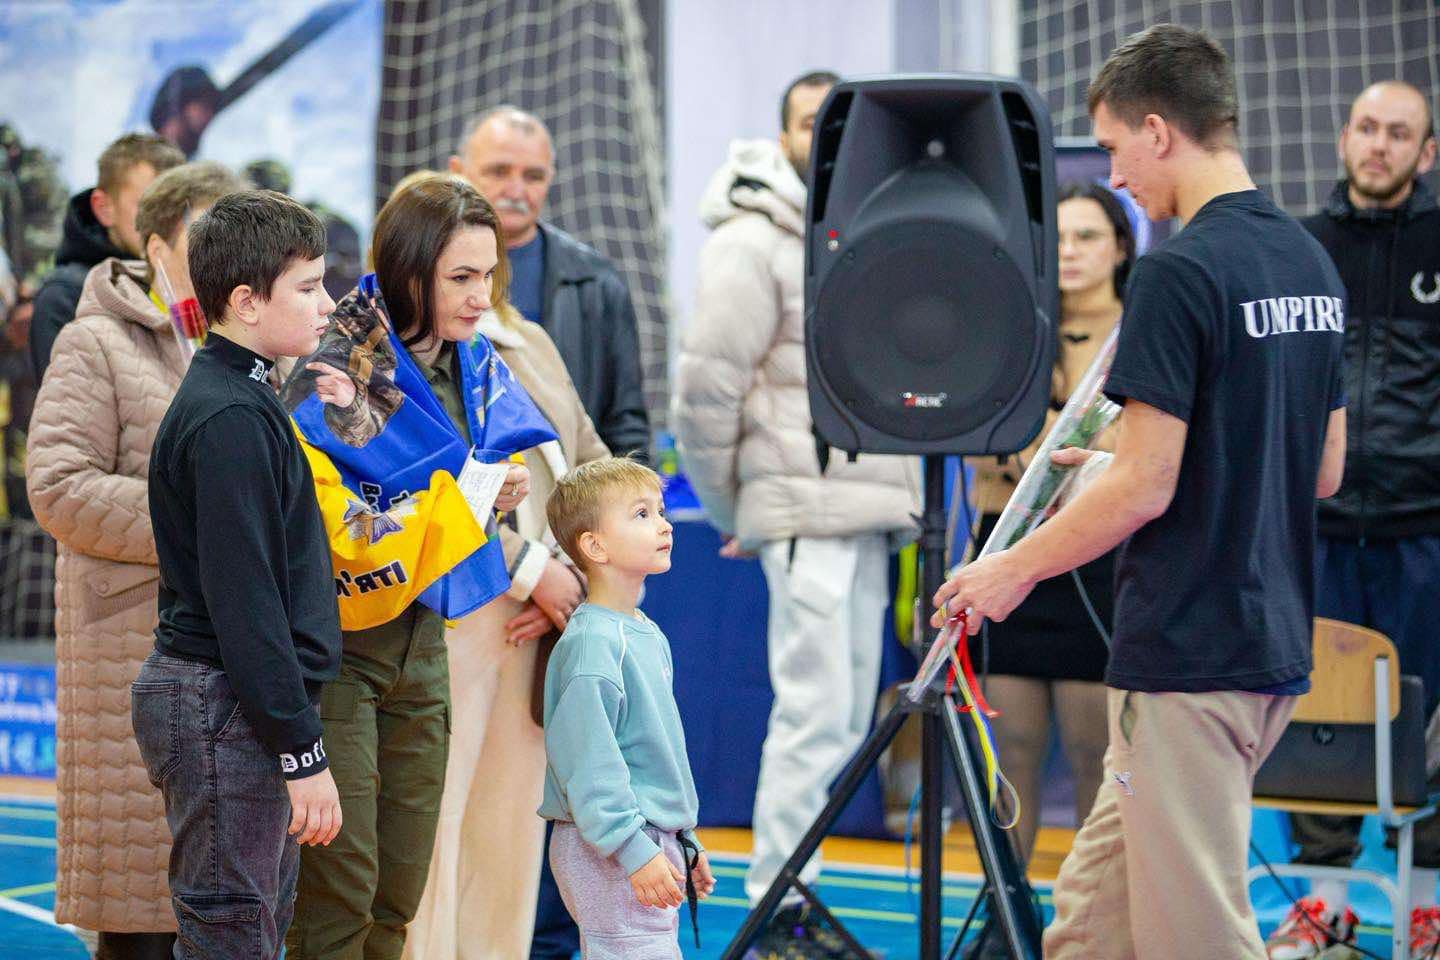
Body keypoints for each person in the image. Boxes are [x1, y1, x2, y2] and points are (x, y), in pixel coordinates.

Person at [932, 25, 1347, 959]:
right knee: (1089, 925)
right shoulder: (1310, 264)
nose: (1115, 175)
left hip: (1193, 653)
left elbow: (1147, 491)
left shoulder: (1176, 269)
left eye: (1116, 148)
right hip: (1265, 636)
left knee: (1199, 936)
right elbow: (1320, 466)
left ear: (1158, 131)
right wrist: (1128, 454)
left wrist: (1009, 571)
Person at [672, 69, 920, 957]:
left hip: (862, 513)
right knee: (816, 717)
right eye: (811, 122)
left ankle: (795, 895)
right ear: (780, 135)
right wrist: (739, 505)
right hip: (803, 516)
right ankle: (777, 904)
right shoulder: (751, 240)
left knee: (847, 721)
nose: (825, 137)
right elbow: (704, 394)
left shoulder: (870, 230)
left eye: (838, 122)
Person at [382, 173, 610, 960]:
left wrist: (580, 571)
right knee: (430, 844)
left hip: (526, 627)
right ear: (407, 268)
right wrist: (529, 570)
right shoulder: (359, 369)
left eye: (489, 276)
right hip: (429, 630)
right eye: (461, 277)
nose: (481, 295)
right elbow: (388, 513)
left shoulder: (499, 351)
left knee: (508, 839)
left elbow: (583, 462)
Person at [25, 161, 244, 960]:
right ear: (157, 247)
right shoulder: (94, 341)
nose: (227, 256)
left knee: (228, 911)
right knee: (142, 921)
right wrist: (202, 525)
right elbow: (56, 486)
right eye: (206, 238)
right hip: (129, 658)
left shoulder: (256, 349)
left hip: (236, 659)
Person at [132, 189, 343, 957]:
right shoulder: (228, 416)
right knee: (231, 936)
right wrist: (302, 751)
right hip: (223, 702)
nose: (327, 304)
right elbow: (246, 602)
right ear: (246, 301)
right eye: (309, 286)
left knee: (252, 931)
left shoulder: (247, 397)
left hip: (230, 702)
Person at [1262, 80, 1440, 960]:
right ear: (1344, 136)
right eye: (1366, 126)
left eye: (1398, 133)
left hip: (1426, 536)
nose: (1379, 145)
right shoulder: (1303, 249)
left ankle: (1429, 907)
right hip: (1321, 535)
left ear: (1426, 152)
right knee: (1314, 717)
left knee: (1434, 723)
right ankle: (1326, 905)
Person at [958, 181, 1134, 958]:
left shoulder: (1140, 334)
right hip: (1010, 547)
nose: (1071, 253)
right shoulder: (1011, 330)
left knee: (1100, 753)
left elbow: (1145, 454)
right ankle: (1005, 914)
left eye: (1089, 237)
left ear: (1121, 249)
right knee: (1012, 748)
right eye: (1059, 238)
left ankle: (1092, 927)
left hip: (1100, 556)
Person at [539, 456, 717, 958]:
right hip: (610, 846)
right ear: (594, 546)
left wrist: (683, 839)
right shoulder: (595, 645)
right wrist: (635, 851)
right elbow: (590, 770)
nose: (663, 524)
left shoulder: (642, 631)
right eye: (641, 514)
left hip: (641, 838)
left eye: (660, 511)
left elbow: (651, 755)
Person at [449, 106, 650, 459]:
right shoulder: (418, 277)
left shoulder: (595, 281)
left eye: (533, 176)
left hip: (570, 494)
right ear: (458, 172)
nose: (515, 189)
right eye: (498, 171)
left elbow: (625, 424)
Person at [29, 133, 184, 381]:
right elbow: (67, 412)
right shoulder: (64, 297)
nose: (167, 222)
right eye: (150, 206)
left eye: (178, 207)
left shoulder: (188, 282)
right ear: (103, 208)